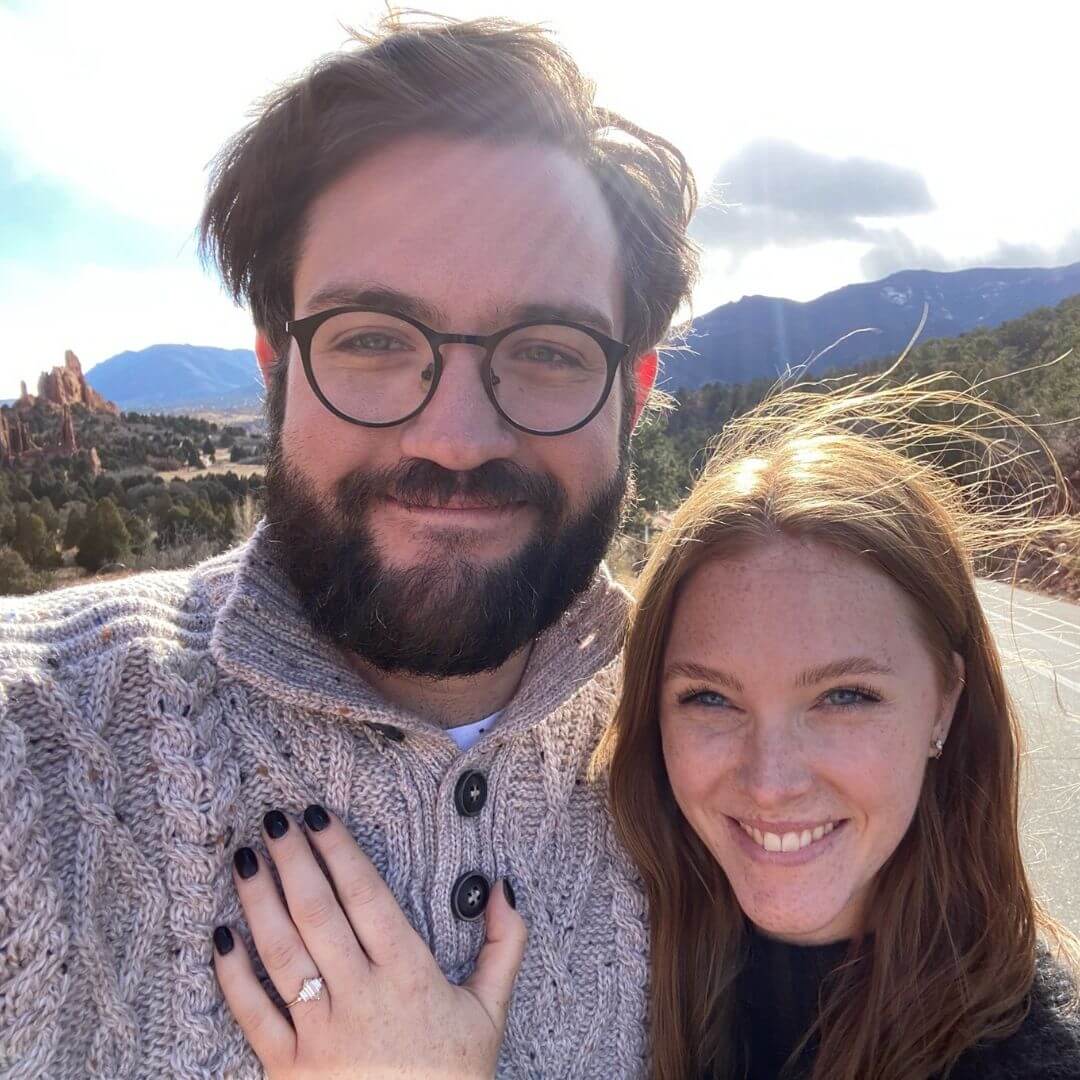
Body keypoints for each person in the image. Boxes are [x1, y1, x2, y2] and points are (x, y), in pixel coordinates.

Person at [0, 15, 698, 1078]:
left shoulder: (717, 752)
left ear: (632, 394)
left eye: (548, 351)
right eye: (373, 340)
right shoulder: (36, 740)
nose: (457, 439)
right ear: (275, 370)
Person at [599, 374, 1080, 1078]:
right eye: (710, 699)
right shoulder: (601, 979)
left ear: (944, 701)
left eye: (845, 696)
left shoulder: (1037, 1057)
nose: (770, 783)